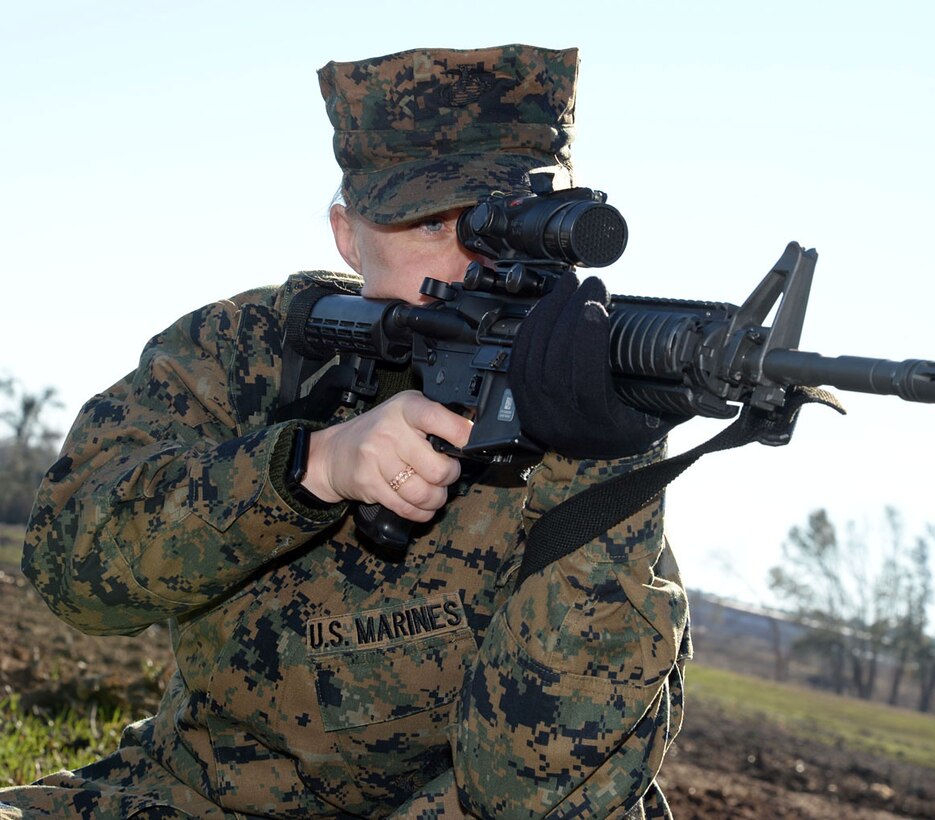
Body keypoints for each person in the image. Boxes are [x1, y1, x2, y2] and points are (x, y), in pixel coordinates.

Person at [1, 44, 691, 819]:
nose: (475, 264)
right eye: (432, 225)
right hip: (194, 796)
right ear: (346, 233)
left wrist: (605, 469)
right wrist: (310, 467)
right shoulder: (248, 350)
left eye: (511, 230)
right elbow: (70, 568)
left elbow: (533, 789)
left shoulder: (584, 414)